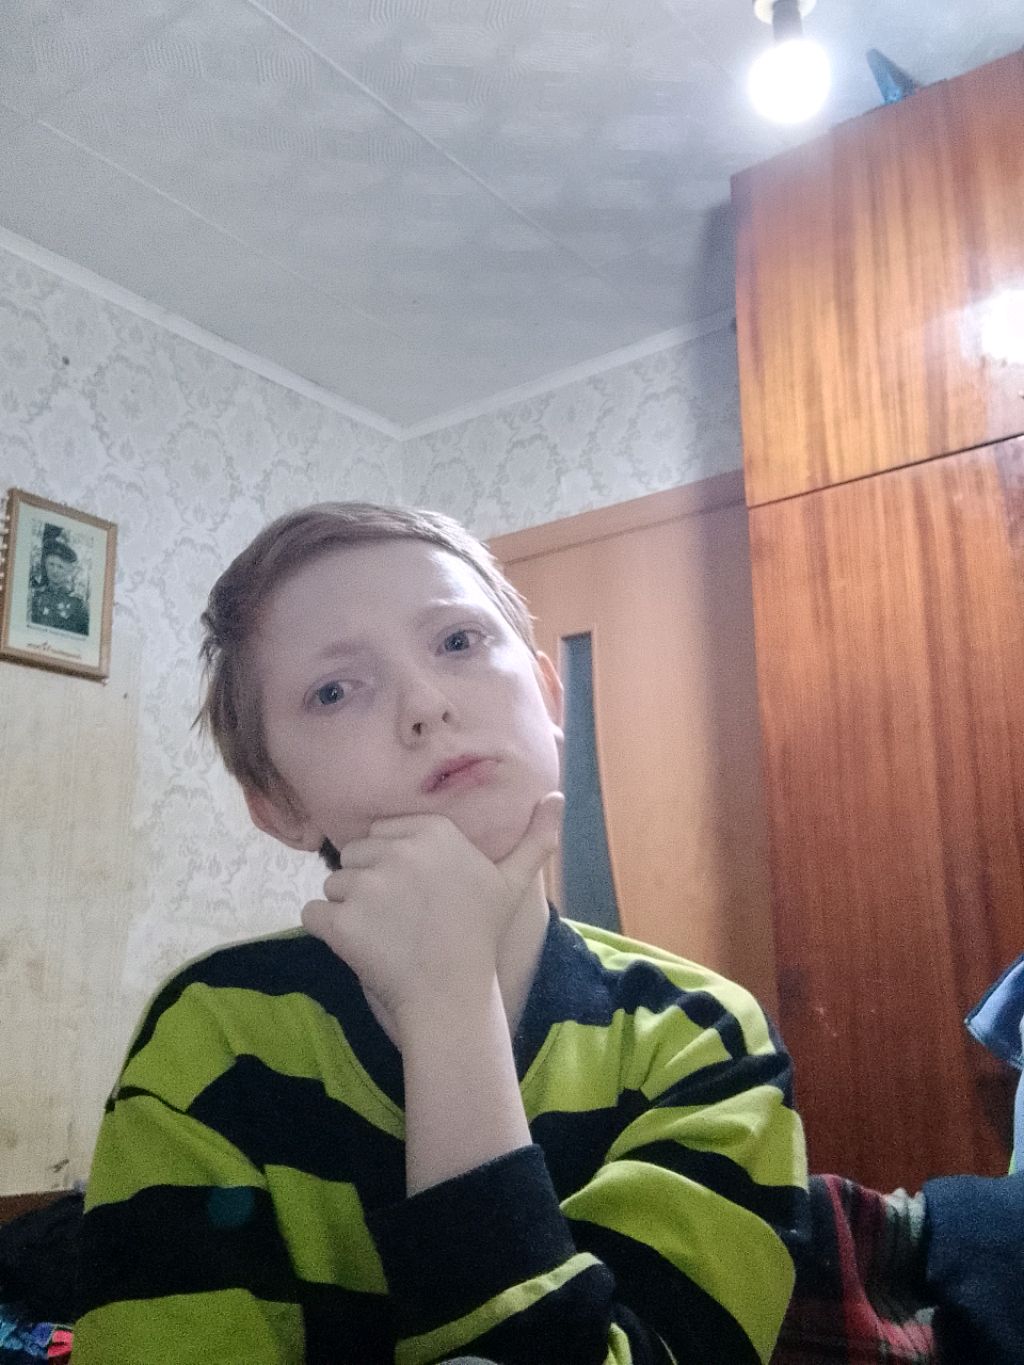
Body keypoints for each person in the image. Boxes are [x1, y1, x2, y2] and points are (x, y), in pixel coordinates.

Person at [75, 502, 808, 1364]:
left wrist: (448, 1007)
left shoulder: (700, 1034)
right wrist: (447, 997)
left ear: (548, 694)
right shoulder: (213, 1037)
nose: (425, 705)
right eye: (334, 690)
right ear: (278, 805)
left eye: (459, 641)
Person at [29, 539, 89, 636]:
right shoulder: (36, 596)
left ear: (69, 571)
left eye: (60, 567)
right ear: (45, 565)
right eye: (51, 564)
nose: (55, 570)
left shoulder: (77, 603)